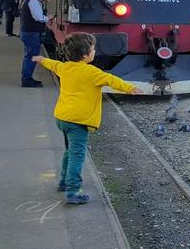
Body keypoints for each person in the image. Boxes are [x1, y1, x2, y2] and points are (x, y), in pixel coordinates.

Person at [32, 33, 140, 204]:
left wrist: (41, 59)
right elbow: (111, 80)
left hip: (62, 118)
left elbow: (54, 65)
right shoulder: (92, 72)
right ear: (85, 54)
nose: (94, 52)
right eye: (93, 49)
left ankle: (64, 182)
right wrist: (130, 88)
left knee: (69, 151)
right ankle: (73, 190)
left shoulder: (65, 67)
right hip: (78, 122)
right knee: (77, 154)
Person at [19, 0, 52, 87]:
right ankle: (26, 80)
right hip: (31, 33)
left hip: (28, 32)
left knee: (29, 56)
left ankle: (27, 78)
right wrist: (48, 18)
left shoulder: (29, 0)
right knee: (32, 56)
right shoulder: (33, 1)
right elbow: (38, 17)